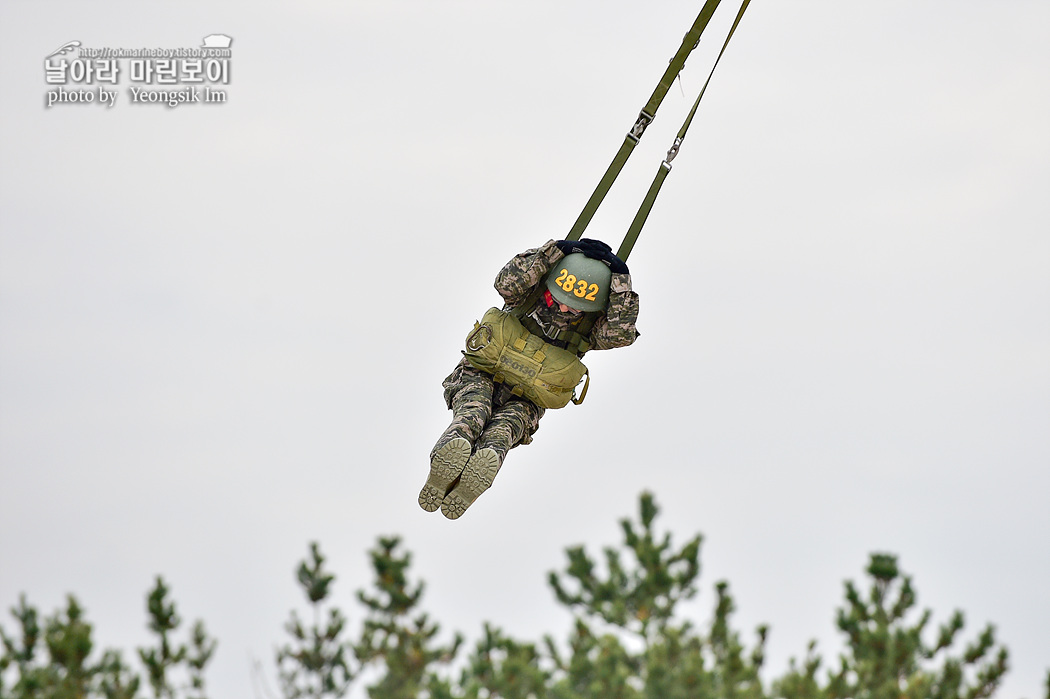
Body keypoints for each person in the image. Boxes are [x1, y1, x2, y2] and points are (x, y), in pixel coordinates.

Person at [419, 238, 640, 519]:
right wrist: (555, 251)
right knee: (473, 414)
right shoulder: (528, 293)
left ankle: (471, 478)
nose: (564, 309)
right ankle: (446, 463)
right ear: (551, 286)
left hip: (528, 398)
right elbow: (506, 283)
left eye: (575, 308)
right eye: (559, 300)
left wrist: (620, 283)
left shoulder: (591, 327)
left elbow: (621, 334)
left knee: (502, 432)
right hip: (481, 374)